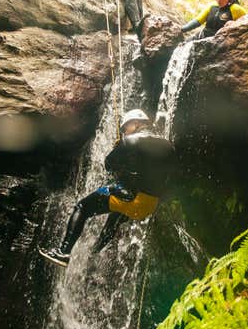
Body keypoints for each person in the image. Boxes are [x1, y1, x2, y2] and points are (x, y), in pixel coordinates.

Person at [39, 109, 176, 267]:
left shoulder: (130, 141)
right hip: (149, 206)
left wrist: (120, 147)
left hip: (131, 199)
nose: (124, 131)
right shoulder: (167, 145)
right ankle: (94, 253)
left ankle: (63, 252)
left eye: (125, 127)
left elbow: (109, 164)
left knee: (83, 207)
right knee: (115, 216)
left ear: (137, 124)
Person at [181, 0, 246, 39]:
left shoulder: (237, 9)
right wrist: (182, 29)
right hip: (204, 37)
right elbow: (198, 21)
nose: (218, 0)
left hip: (220, 42)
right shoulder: (212, 6)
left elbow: (246, 28)